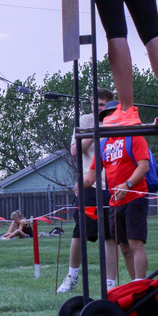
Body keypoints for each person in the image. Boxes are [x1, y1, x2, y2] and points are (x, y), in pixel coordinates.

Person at [84, 101, 153, 286]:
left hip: (135, 197)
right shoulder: (103, 144)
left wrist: (128, 184)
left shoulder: (134, 137)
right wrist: (81, 183)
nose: (108, 119)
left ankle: (140, 285)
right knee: (124, 247)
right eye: (105, 117)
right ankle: (135, 285)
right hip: (114, 202)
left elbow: (144, 166)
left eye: (111, 115)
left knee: (135, 243)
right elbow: (92, 172)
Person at [58, 89, 115, 293]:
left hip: (113, 185)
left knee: (110, 236)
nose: (97, 108)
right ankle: (72, 276)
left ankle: (110, 285)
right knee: (80, 232)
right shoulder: (85, 120)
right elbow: (75, 151)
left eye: (101, 105)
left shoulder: (116, 119)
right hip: (89, 184)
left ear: (109, 105)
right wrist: (96, 129)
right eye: (94, 104)